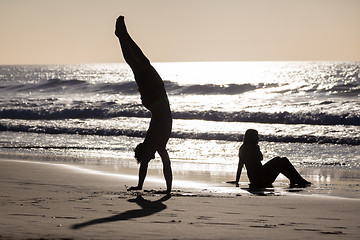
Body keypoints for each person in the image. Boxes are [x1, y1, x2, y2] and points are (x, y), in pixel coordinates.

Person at [115, 16, 173, 194]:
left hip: (156, 96)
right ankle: (122, 36)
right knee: (137, 65)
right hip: (152, 99)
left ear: (146, 151)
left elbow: (165, 163)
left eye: (147, 157)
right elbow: (159, 164)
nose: (150, 158)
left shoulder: (155, 144)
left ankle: (122, 36)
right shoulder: (153, 143)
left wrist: (168, 190)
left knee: (140, 64)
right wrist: (166, 190)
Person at [232, 129, 311, 188]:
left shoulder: (242, 148)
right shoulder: (254, 147)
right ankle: (299, 180)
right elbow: (261, 158)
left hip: (254, 179)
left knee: (278, 159)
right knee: (283, 160)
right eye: (257, 137)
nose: (258, 139)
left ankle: (293, 179)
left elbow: (240, 166)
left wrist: (237, 180)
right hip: (262, 179)